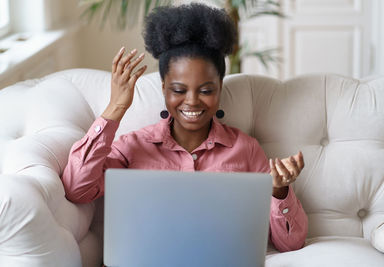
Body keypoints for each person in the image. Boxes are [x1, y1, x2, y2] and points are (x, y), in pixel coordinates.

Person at [61, 3, 308, 252]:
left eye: (206, 90)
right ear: (164, 90)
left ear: (220, 89)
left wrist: (279, 191)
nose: (191, 101)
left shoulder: (245, 149)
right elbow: (76, 190)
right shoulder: (132, 147)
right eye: (179, 90)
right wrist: (115, 108)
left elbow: (292, 242)